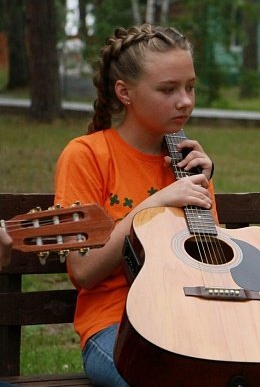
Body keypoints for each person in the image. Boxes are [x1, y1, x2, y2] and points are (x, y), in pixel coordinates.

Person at [53, 24, 216, 386]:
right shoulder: (87, 155)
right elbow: (83, 272)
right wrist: (152, 206)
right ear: (124, 92)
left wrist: (203, 192)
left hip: (190, 321)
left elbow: (208, 266)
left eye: (190, 86)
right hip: (117, 326)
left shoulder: (186, 160)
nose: (185, 100)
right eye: (167, 89)